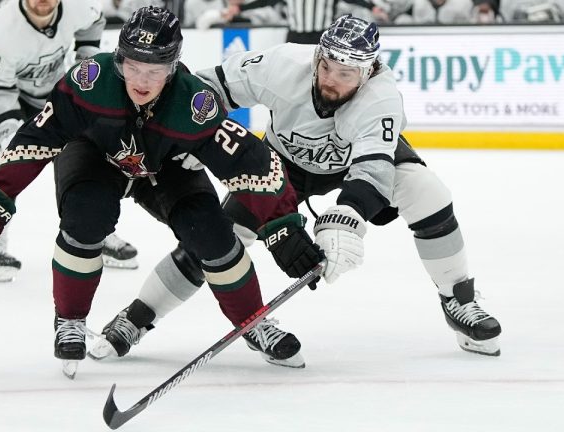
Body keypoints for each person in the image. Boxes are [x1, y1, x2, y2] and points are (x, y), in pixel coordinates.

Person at [95, 14, 502, 362]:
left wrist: (347, 218)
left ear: (369, 71)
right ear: (317, 56)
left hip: (353, 165)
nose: (329, 80)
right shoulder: (282, 63)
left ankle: (458, 298)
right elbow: (208, 87)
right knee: (217, 238)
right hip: (281, 163)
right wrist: (197, 133)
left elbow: (374, 168)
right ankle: (135, 317)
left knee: (426, 189)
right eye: (326, 66)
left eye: (345, 74)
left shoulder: (381, 98)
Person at [0, 6, 324, 378]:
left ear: (174, 66)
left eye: (155, 70)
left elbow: (252, 162)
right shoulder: (89, 80)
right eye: (132, 67)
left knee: (211, 232)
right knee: (86, 216)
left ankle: (253, 320)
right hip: (93, 156)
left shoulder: (194, 103)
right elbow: (36, 136)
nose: (141, 81)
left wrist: (284, 225)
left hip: (165, 168)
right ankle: (70, 320)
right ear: (119, 59)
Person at [0, 0, 138, 282]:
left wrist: (86, 59)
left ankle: (92, 232)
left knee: (82, 153)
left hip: (47, 87)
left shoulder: (76, 7)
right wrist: (15, 139)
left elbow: (94, 23)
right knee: (8, 160)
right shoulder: (2, 30)